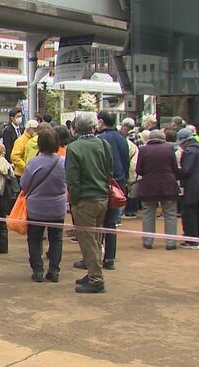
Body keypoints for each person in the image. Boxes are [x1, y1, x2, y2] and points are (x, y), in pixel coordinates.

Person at [66, 113, 112, 294]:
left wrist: (75, 201)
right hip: (102, 197)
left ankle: (96, 278)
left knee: (87, 241)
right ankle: (94, 271)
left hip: (85, 199)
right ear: (93, 127)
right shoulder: (104, 144)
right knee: (96, 238)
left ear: (76, 129)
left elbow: (72, 179)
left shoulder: (74, 147)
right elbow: (110, 170)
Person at [21, 130, 67, 282]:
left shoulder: (34, 162)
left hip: (36, 207)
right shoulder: (63, 162)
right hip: (57, 207)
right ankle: (54, 271)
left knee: (34, 238)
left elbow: (24, 184)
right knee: (56, 239)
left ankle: (38, 270)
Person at [92, 111, 129, 268]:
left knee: (98, 222)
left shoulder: (99, 139)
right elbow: (126, 160)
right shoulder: (122, 139)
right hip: (118, 184)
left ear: (100, 121)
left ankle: (95, 257)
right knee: (111, 223)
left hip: (101, 185)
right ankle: (110, 258)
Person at [136, 130, 180, 250]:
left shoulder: (143, 150)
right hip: (168, 186)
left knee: (148, 213)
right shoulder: (170, 149)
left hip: (148, 186)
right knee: (170, 214)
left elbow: (139, 170)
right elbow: (175, 168)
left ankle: (147, 241)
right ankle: (171, 242)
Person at [177, 128, 199, 249]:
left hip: (191, 187)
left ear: (185, 141)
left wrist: (176, 171)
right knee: (198, 213)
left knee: (188, 213)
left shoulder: (189, 152)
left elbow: (186, 170)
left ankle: (191, 241)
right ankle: (198, 239)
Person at [119, 119, 140, 218]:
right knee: (133, 189)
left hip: (131, 164)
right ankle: (132, 210)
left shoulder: (127, 140)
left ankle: (129, 210)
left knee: (129, 189)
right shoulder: (137, 135)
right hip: (136, 163)